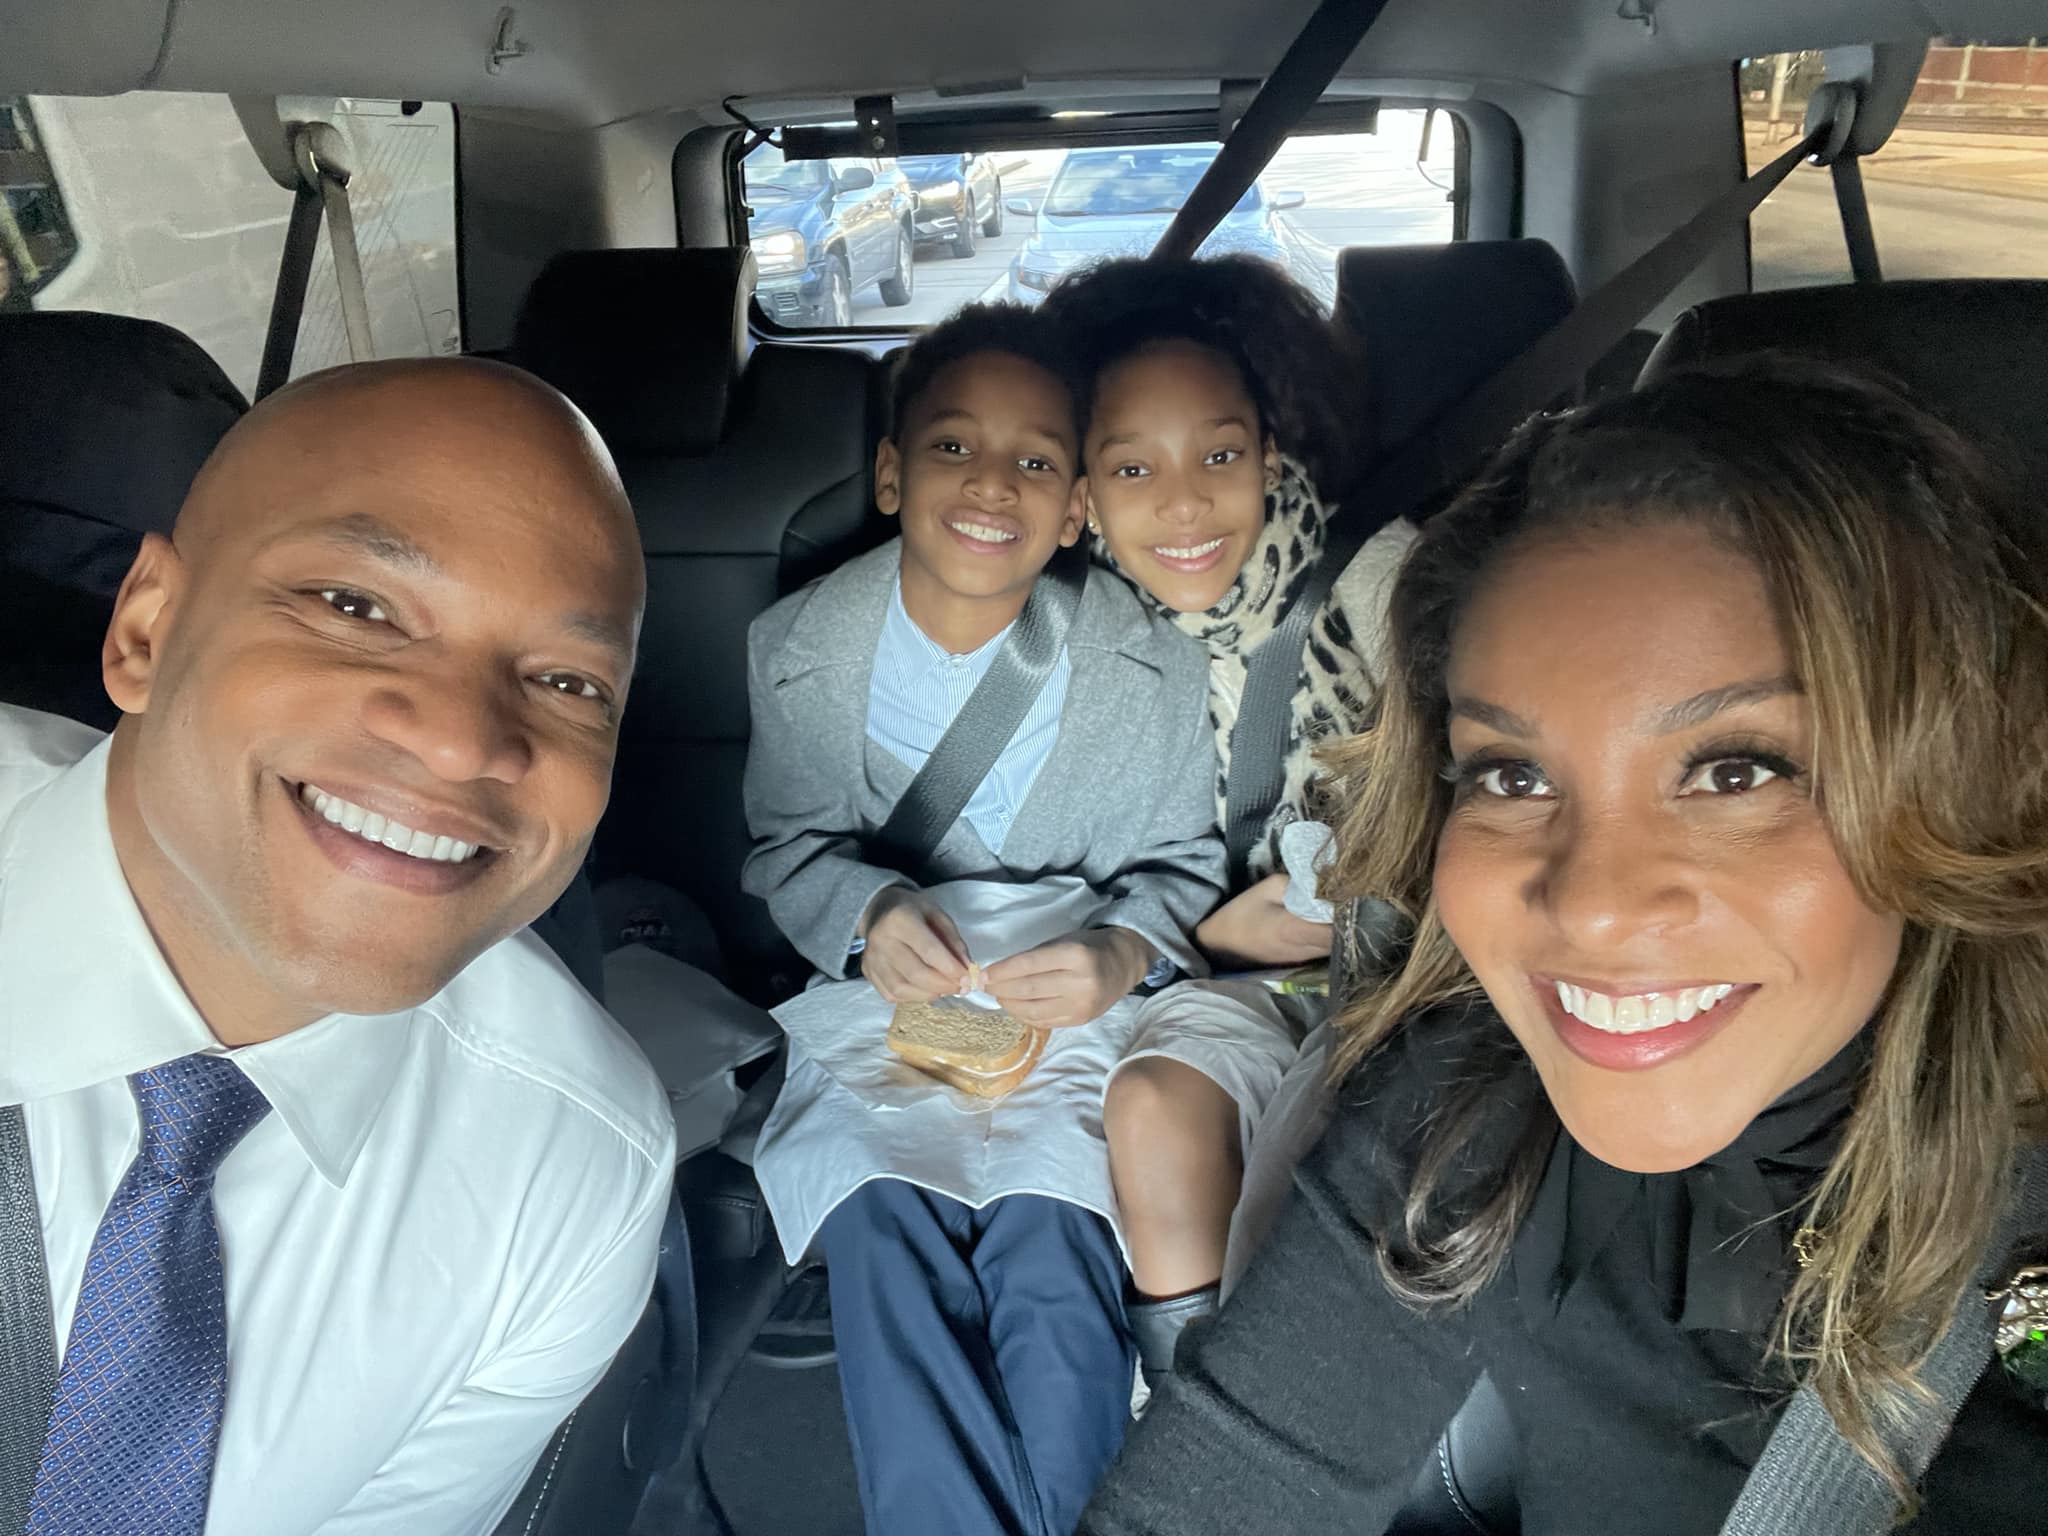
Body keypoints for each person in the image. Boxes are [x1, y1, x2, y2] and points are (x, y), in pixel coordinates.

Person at [1079, 356, 2048, 1535]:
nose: (1587, 909)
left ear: (1961, 779)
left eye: (1735, 771)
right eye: (1511, 773)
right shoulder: (1464, 1106)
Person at [2, 359, 677, 1536]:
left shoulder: (575, 1166)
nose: (467, 740)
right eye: (356, 608)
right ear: (148, 630)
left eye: (568, 681)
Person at [741, 303, 1224, 1536]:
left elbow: (1181, 863)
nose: (991, 485)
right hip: (881, 993)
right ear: (894, 473)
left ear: (1073, 509)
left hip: (1067, 989)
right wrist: (865, 911)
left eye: (1036, 462)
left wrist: (1123, 951)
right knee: (883, 1230)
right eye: (954, 447)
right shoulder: (796, 646)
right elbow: (785, 851)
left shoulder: (1149, 661)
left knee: (1048, 1239)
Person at [1038, 255, 1415, 1370]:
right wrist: (1205, 939)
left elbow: (1496, 793)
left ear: (1274, 446)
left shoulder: (1380, 583)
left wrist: (1363, 910)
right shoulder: (1072, 635)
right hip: (1211, 990)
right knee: (1154, 1105)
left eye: (1218, 454)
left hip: (1404, 981)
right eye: (1132, 467)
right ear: (1080, 492)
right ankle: (1190, 1409)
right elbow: (1062, 867)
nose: (1185, 502)